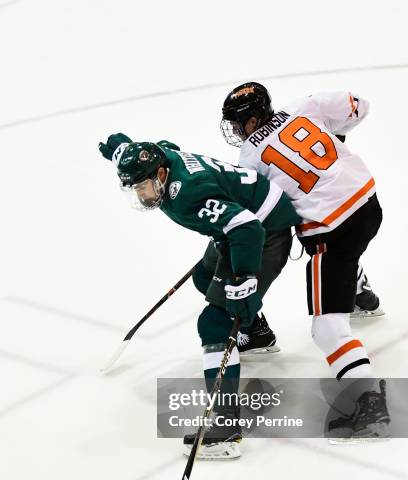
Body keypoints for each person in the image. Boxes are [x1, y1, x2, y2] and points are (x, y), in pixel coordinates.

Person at [99, 134, 301, 458]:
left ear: (162, 175)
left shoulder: (187, 195)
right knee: (205, 275)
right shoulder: (162, 158)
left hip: (262, 233)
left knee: (214, 324)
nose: (141, 194)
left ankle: (224, 424)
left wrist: (244, 278)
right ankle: (256, 332)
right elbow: (162, 148)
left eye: (143, 186)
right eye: (135, 188)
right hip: (236, 225)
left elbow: (247, 227)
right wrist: (121, 151)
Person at [220, 82, 389, 440]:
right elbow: (359, 105)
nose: (237, 131)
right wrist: (334, 135)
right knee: (347, 256)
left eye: (238, 123)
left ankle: (369, 399)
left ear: (250, 121)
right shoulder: (306, 105)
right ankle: (360, 293)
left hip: (332, 231)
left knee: (327, 330)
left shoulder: (250, 158)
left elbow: (266, 212)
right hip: (369, 205)